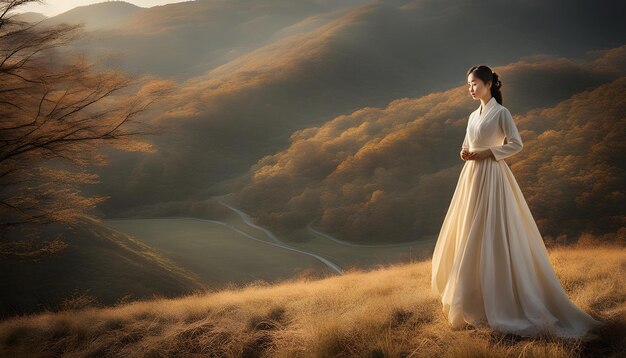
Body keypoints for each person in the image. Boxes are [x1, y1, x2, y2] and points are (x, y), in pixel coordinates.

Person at [430, 65, 605, 339]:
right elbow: (467, 144)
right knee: (469, 230)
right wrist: (464, 153)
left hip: (492, 175)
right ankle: (473, 295)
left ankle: (504, 298)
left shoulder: (502, 113)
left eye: (474, 84)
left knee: (490, 228)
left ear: (488, 84)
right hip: (472, 177)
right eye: (468, 85)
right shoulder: (472, 116)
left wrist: (489, 152)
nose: (470, 89)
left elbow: (516, 144)